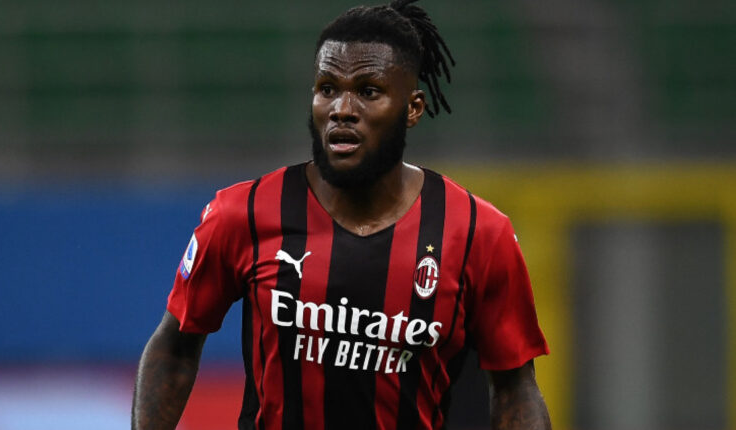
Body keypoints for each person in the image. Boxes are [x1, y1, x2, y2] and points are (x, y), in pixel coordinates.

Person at [132, 1, 551, 429]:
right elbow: (175, 348)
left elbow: (515, 388)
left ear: (413, 108)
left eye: (368, 91)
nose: (342, 108)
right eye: (328, 88)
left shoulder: (479, 233)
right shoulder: (243, 214)